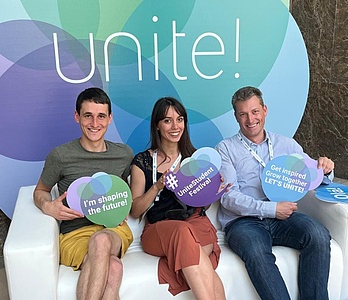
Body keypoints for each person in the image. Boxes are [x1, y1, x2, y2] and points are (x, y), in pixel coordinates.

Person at [215, 86, 335, 300]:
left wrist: (326, 169)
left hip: (284, 217)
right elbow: (228, 196)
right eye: (243, 114)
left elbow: (310, 176)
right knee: (256, 252)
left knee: (317, 235)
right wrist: (271, 209)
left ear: (265, 110)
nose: (250, 119)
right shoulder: (225, 149)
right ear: (236, 117)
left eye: (254, 111)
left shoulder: (286, 145)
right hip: (244, 222)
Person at [33, 87, 134, 300]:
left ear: (110, 118)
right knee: (113, 267)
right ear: (77, 116)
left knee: (101, 241)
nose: (95, 124)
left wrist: (124, 205)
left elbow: (123, 190)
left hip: (114, 229)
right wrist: (48, 206)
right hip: (74, 233)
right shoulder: (61, 155)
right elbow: (40, 191)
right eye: (88, 116)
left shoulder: (123, 154)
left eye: (101, 117)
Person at [129, 97, 226, 300]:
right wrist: (157, 186)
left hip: (196, 223)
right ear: (157, 125)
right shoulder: (143, 161)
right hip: (160, 228)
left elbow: (203, 205)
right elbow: (135, 210)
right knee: (184, 236)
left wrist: (212, 189)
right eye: (167, 120)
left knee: (196, 256)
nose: (175, 126)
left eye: (180, 119)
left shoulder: (196, 158)